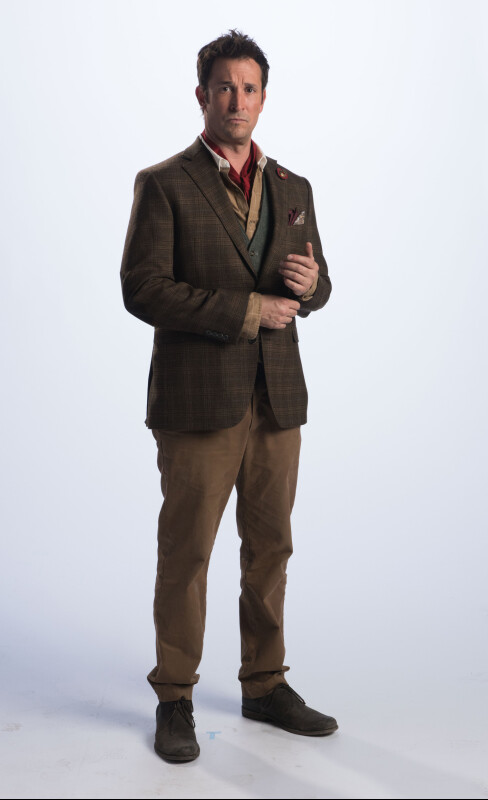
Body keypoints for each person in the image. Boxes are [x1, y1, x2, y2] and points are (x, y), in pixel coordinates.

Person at [120, 30, 337, 763]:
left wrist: (313, 288)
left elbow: (319, 286)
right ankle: (174, 697)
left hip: (276, 398)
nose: (236, 100)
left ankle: (264, 683)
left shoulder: (293, 188)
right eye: (224, 87)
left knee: (271, 547)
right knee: (188, 552)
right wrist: (245, 311)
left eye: (249, 88)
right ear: (202, 95)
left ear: (263, 98)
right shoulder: (164, 183)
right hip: (197, 401)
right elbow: (142, 288)